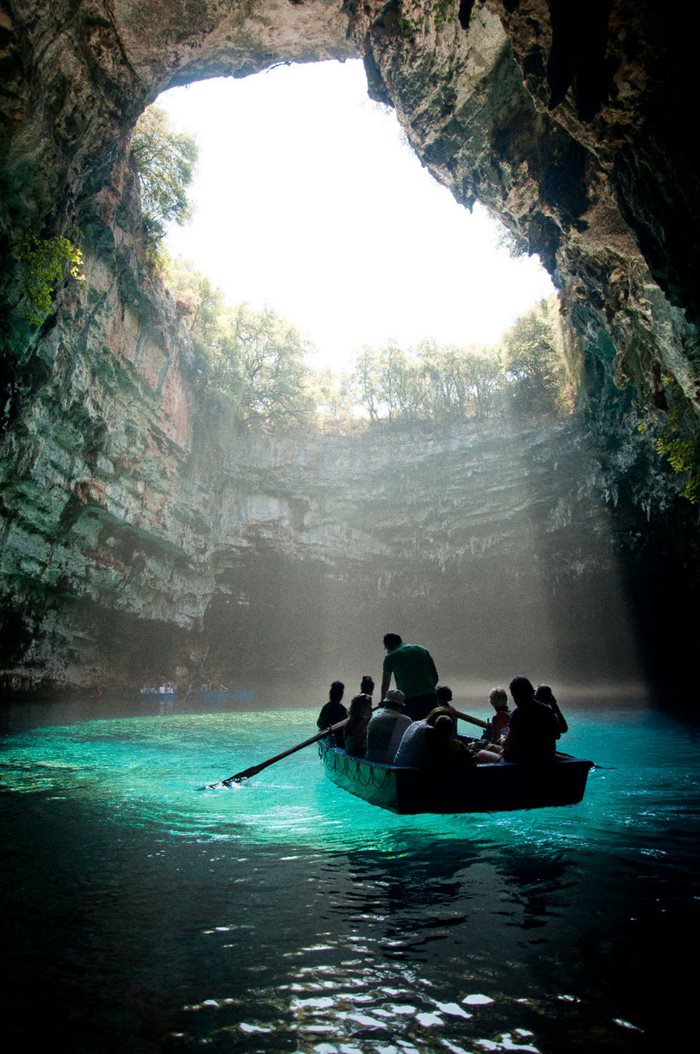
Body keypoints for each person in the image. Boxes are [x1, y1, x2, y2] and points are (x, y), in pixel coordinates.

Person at [501, 675, 560, 763]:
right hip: (547, 759)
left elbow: (507, 745)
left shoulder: (518, 713)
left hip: (523, 762)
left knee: (481, 754)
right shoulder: (548, 711)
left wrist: (501, 740)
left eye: (514, 696)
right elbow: (557, 735)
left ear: (516, 695)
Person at [380, 633, 439, 721]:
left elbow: (385, 683)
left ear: (388, 645)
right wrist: (428, 689)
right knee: (431, 726)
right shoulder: (422, 649)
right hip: (430, 696)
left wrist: (383, 700)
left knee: (410, 727)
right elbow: (435, 675)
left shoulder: (390, 657)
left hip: (408, 699)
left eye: (386, 648)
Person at [393, 702, 458, 767]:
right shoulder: (429, 730)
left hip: (399, 763)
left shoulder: (417, 723)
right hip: (409, 768)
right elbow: (436, 755)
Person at [365, 689, 412, 764]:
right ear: (401, 706)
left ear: (385, 703)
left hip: (370, 758)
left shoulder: (374, 717)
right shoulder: (406, 720)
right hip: (390, 761)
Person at [317, 681, 347, 745]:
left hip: (331, 738)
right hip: (340, 740)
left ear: (330, 694)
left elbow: (319, 724)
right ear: (341, 695)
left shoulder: (326, 707)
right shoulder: (342, 709)